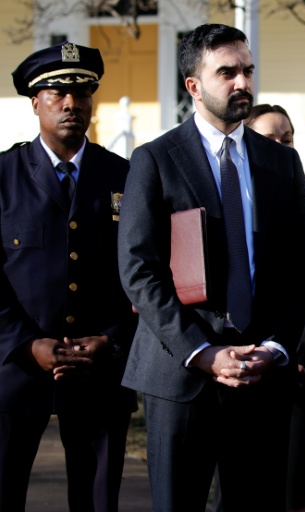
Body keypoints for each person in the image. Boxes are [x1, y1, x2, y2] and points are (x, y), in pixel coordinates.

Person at [117, 24, 305, 511]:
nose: (242, 82)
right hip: (180, 375)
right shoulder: (155, 160)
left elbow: (302, 268)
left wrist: (274, 347)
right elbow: (139, 270)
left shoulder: (281, 163)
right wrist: (201, 351)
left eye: (247, 70)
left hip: (259, 375)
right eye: (227, 72)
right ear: (193, 85)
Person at [0, 42, 137, 511]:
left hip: (99, 367)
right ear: (35, 102)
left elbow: (140, 269)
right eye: (57, 93)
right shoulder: (4, 176)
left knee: (97, 500)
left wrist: (112, 337)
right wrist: (26, 344)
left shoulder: (124, 176)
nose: (71, 104)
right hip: (16, 367)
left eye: (82, 93)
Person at [210, 104, 305, 511]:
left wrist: (291, 353)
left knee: (291, 482)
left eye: (288, 139)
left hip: (298, 368)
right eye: (270, 139)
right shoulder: (229, 210)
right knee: (237, 482)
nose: (282, 147)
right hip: (241, 363)